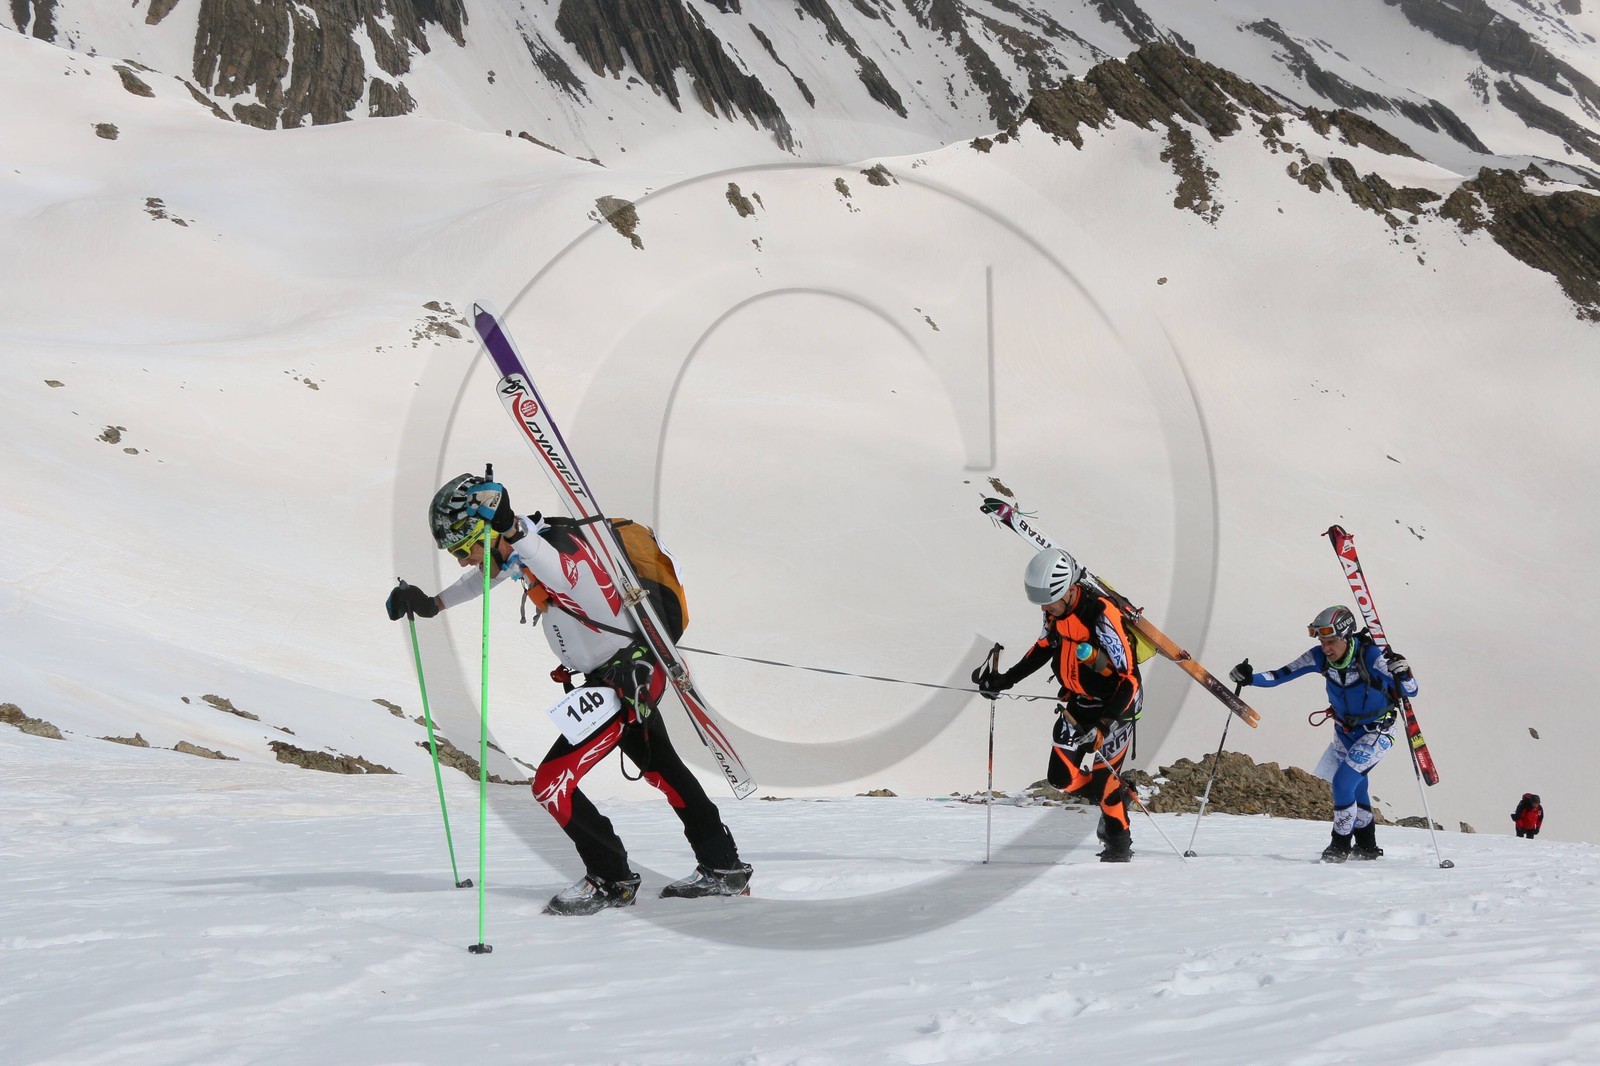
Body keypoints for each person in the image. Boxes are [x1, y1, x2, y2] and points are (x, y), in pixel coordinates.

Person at [385, 473, 751, 915]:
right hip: (621, 677)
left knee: (550, 783)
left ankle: (611, 879)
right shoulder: (525, 550)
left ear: (489, 532)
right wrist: (433, 604)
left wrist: (513, 530)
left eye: (465, 549)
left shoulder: (555, 554)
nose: (463, 561)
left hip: (623, 682)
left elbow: (557, 570)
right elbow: (492, 571)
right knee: (664, 771)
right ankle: (722, 867)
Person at [973, 548, 1144, 862]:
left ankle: (1118, 846)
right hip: (1078, 701)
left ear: (1068, 590)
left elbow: (1130, 679)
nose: (1045, 608)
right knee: (1061, 780)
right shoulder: (1053, 610)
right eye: (1040, 602)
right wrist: (1005, 680)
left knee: (1104, 783)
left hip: (1117, 707)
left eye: (1049, 600)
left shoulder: (1101, 614)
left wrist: (1104, 725)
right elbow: (1044, 647)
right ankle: (1118, 795)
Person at [1230, 605, 1419, 863]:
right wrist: (1250, 678)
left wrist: (1403, 671)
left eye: (1331, 641)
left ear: (1346, 636)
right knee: (1357, 784)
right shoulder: (1318, 657)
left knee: (1342, 782)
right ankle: (1367, 845)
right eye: (1322, 641)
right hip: (1344, 731)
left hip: (1377, 731)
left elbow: (1410, 690)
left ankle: (1339, 844)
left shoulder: (1371, 656)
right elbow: (1279, 675)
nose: (1326, 648)